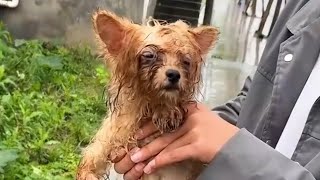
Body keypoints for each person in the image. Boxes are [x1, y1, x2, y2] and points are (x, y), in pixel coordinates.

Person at [111, 0, 320, 179]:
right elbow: (258, 96)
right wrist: (194, 132)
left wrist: (234, 150)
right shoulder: (304, 5)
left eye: (185, 62)